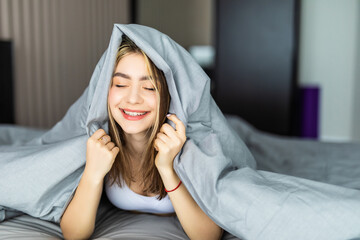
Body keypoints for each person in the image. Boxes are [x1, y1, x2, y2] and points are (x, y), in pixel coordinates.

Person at [59, 35, 223, 240]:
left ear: (171, 94)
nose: (133, 99)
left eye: (149, 87)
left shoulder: (190, 145)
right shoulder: (98, 141)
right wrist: (92, 173)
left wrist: (167, 169)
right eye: (120, 84)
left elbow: (208, 237)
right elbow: (73, 235)